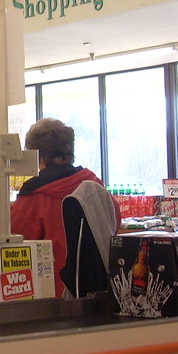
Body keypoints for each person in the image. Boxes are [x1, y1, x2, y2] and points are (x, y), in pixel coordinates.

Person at [11, 118, 121, 297]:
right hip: (102, 292)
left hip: (55, 297)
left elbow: (15, 242)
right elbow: (114, 223)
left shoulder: (33, 197)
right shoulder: (94, 186)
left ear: (35, 154)